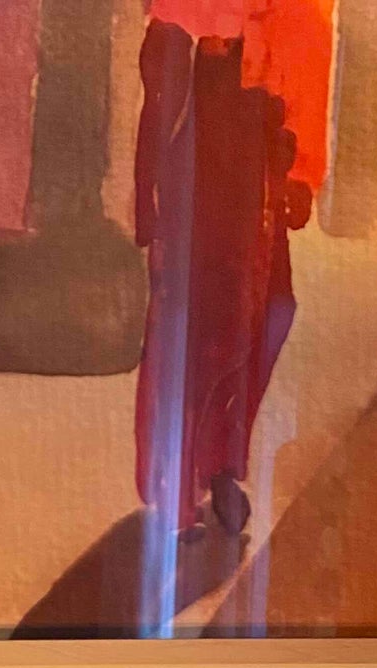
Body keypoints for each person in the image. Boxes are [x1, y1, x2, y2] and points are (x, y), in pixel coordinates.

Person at [134, 0, 333, 537]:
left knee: (270, 313)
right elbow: (163, 69)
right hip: (208, 128)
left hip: (260, 142)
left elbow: (306, 49)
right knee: (203, 331)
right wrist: (147, 196)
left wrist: (300, 171)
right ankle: (179, 483)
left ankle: (219, 459)